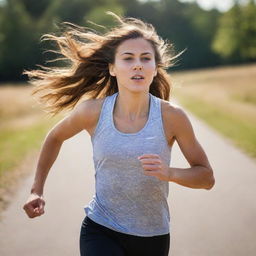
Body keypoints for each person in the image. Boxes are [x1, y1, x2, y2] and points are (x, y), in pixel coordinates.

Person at [23, 12, 215, 256]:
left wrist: (170, 173)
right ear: (112, 69)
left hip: (153, 236)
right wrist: (36, 190)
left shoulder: (172, 117)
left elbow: (207, 178)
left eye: (146, 58)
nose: (137, 64)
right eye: (128, 58)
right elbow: (55, 137)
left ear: (155, 69)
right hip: (101, 228)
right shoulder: (92, 111)